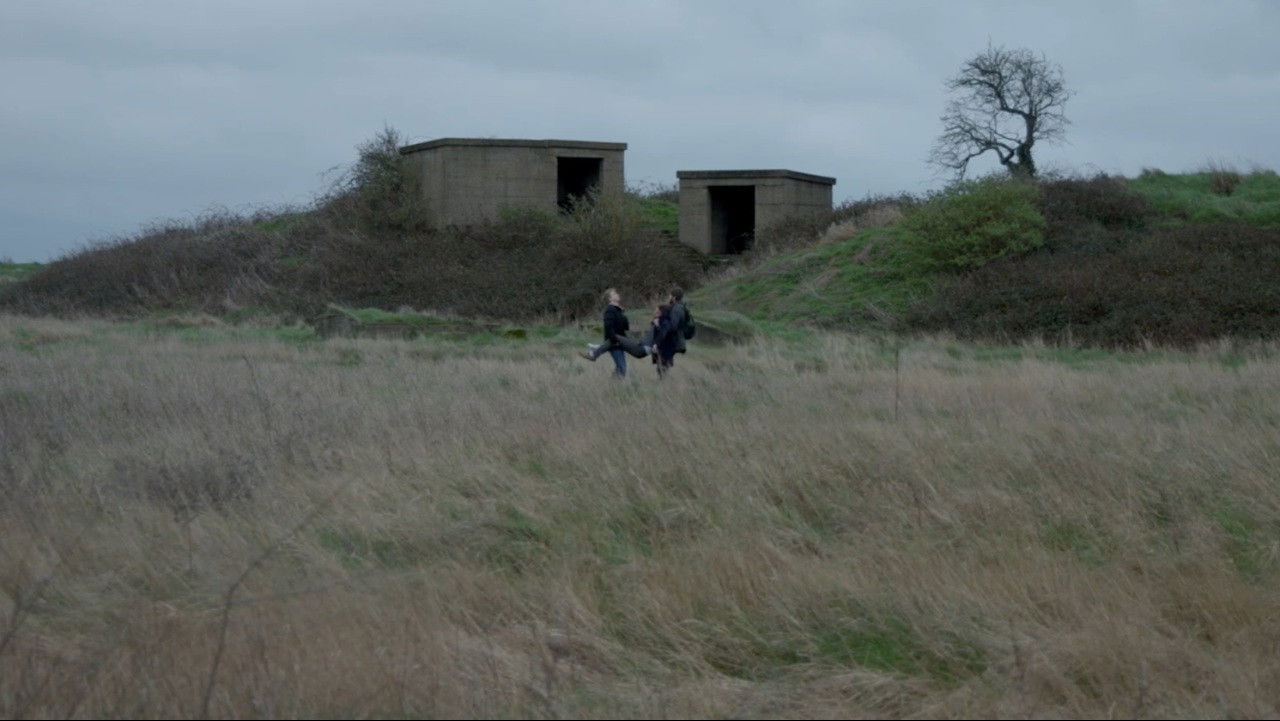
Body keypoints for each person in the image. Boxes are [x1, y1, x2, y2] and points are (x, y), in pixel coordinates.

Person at [581, 288, 650, 377]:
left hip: (621, 342)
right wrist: (614, 340)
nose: (617, 294)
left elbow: (625, 327)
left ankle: (613, 386)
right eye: (614, 294)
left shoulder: (617, 310)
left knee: (620, 368)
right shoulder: (610, 310)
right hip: (614, 343)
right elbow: (608, 327)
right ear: (610, 299)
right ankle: (595, 353)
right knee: (622, 368)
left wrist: (622, 313)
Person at [649, 303, 679, 377]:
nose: (654, 312)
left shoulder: (666, 322)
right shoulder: (659, 321)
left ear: (661, 312)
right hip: (660, 347)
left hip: (665, 348)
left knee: (663, 368)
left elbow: (662, 334)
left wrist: (657, 326)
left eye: (657, 311)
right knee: (659, 368)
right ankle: (662, 383)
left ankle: (664, 383)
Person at [668, 287, 691, 356]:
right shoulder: (681, 307)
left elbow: (673, 326)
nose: (669, 297)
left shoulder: (676, 309)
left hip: (675, 344)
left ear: (674, 297)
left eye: (670, 295)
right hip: (679, 343)